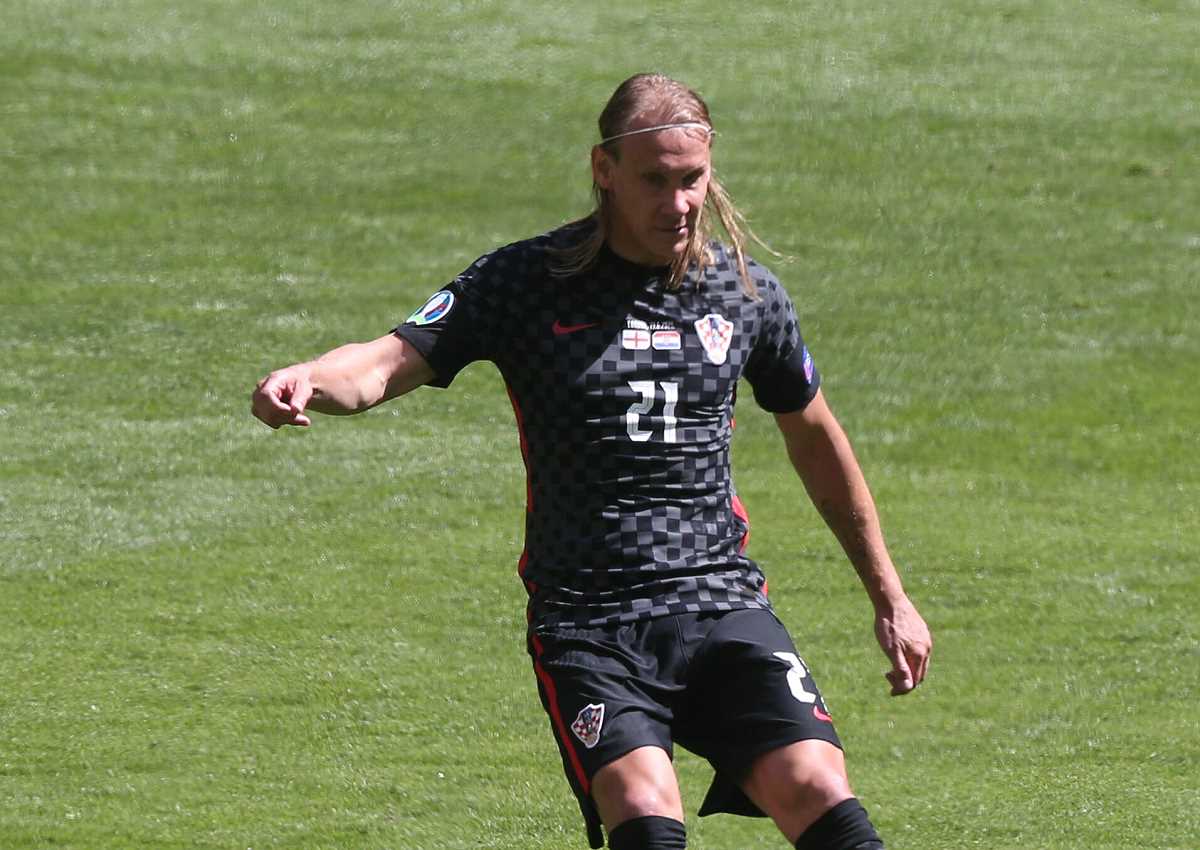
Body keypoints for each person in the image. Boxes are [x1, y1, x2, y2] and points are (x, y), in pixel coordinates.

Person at [252, 73, 932, 850]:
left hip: (719, 600)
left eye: (693, 180)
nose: (679, 204)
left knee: (818, 789)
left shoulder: (745, 293)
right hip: (589, 620)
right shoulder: (525, 283)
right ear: (603, 169)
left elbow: (815, 438)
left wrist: (890, 596)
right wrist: (309, 378)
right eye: (655, 181)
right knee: (645, 808)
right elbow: (386, 362)